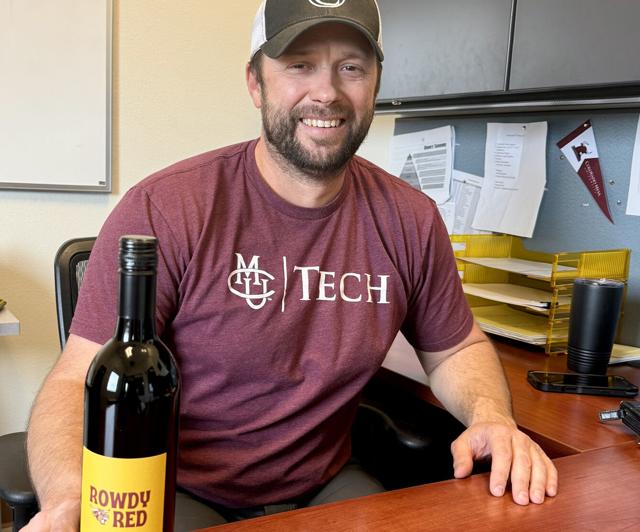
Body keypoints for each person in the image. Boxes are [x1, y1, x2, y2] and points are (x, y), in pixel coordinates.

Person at [24, 0, 557, 529]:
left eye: (351, 67)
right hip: (179, 487)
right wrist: (68, 499)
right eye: (300, 65)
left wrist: (493, 417)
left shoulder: (410, 220)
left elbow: (456, 349)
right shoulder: (166, 209)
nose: (327, 92)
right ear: (255, 83)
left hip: (324, 485)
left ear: (374, 85)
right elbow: (76, 379)